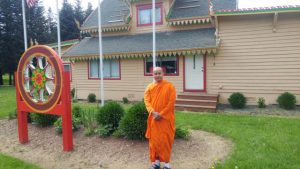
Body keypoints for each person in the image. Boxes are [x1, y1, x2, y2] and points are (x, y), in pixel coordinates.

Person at [144, 67, 176, 169]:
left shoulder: (170, 87)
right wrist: (153, 112)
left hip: (165, 119)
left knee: (165, 141)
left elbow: (171, 103)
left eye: (159, 73)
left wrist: (161, 114)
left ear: (163, 73)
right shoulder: (149, 87)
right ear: (152, 75)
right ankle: (156, 163)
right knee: (154, 142)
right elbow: (147, 101)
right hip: (154, 119)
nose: (157, 75)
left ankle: (167, 164)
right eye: (155, 73)